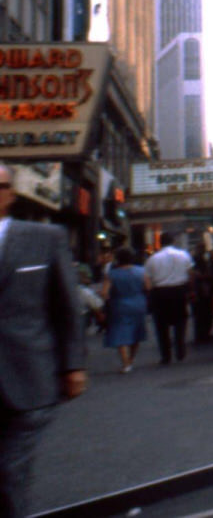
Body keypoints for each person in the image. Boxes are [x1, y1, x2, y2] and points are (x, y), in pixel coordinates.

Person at [0, 163, 87, 517]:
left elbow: (67, 306)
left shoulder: (44, 239)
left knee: (8, 471)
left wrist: (73, 365)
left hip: (28, 376)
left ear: (9, 193)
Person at [143, 233, 194, 365]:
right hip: (179, 290)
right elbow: (190, 274)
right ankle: (180, 350)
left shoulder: (152, 259)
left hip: (160, 292)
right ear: (173, 241)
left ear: (160, 242)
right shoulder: (184, 255)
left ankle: (166, 355)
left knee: (161, 325)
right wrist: (190, 290)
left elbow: (147, 281)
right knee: (180, 322)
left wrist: (150, 295)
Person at [101, 246, 148, 373]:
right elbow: (148, 287)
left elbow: (104, 293)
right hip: (139, 303)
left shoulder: (111, 274)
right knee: (136, 332)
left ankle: (125, 362)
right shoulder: (141, 271)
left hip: (119, 304)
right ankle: (131, 359)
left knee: (120, 332)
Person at [190, 246, 213, 344]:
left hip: (198, 292)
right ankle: (205, 334)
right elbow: (206, 276)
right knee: (207, 313)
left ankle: (200, 334)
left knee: (199, 314)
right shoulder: (204, 264)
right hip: (204, 291)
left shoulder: (194, 265)